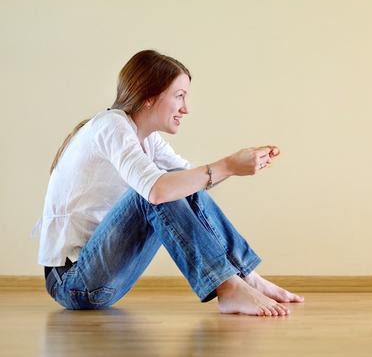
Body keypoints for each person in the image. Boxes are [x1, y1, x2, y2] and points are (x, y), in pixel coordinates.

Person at [35, 49, 303, 316]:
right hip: (73, 283)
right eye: (179, 96)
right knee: (153, 192)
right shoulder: (110, 125)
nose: (185, 108)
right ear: (149, 97)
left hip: (102, 279)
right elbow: (157, 191)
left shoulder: (147, 138)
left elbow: (196, 180)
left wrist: (237, 166)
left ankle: (245, 276)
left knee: (182, 184)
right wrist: (228, 165)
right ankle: (228, 287)